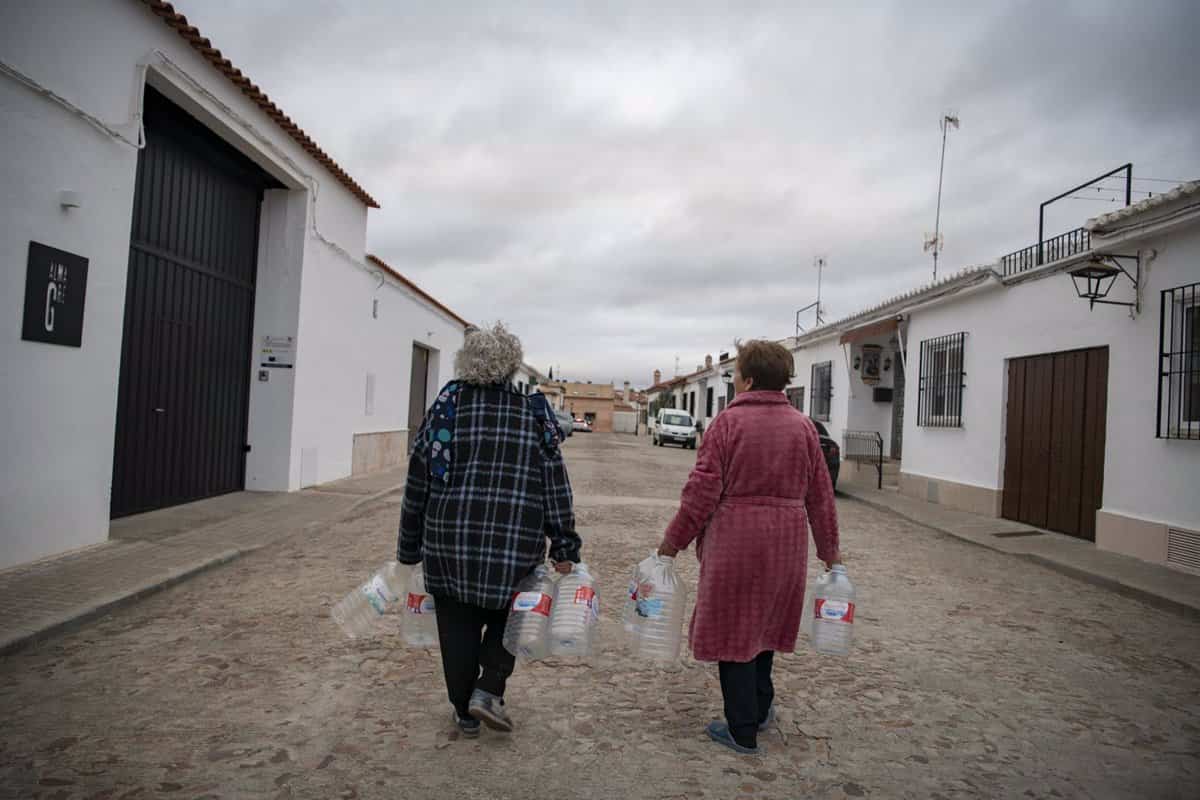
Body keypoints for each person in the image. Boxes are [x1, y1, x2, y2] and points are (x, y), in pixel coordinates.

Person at [656, 339, 840, 754]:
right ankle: (760, 707)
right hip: (787, 544)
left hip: (736, 541)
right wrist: (830, 552)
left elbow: (701, 493)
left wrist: (672, 543)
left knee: (735, 629)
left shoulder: (727, 424)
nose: (734, 379)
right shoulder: (804, 428)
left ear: (750, 380)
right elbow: (821, 497)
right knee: (765, 625)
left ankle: (742, 729)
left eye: (737, 372)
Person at [398, 323, 581, 738]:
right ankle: (489, 688)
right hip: (513, 545)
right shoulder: (533, 414)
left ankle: (464, 712)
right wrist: (564, 544)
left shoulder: (445, 410)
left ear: (466, 363)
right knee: (510, 618)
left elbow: (417, 481)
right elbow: (555, 485)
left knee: (456, 629)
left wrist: (408, 547)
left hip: (449, 544)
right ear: (511, 366)